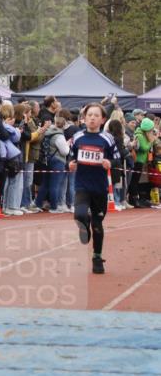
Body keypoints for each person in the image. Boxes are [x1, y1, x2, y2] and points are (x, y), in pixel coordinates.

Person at [69, 103, 117, 274]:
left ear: (103, 119)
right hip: (82, 185)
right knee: (80, 215)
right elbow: (71, 156)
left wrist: (109, 162)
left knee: (98, 224)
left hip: (100, 187)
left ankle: (97, 257)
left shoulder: (107, 139)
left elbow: (117, 158)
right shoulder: (77, 137)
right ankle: (84, 224)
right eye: (89, 115)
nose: (92, 118)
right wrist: (71, 163)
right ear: (84, 117)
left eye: (96, 115)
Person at [129, 117, 158, 207]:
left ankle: (139, 198)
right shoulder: (140, 135)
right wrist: (152, 141)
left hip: (142, 161)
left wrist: (151, 141)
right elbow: (144, 148)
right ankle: (133, 199)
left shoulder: (144, 135)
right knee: (134, 181)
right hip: (138, 161)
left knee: (138, 181)